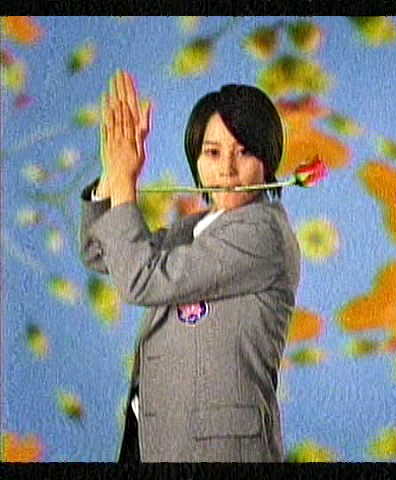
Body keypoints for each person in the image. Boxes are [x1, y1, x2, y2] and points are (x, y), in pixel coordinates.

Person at [79, 70, 301, 462]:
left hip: (216, 450)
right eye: (212, 153)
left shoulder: (262, 233)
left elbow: (140, 279)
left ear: (267, 160)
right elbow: (100, 251)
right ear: (195, 159)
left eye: (244, 152)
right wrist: (113, 175)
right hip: (154, 437)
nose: (227, 170)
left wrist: (127, 181)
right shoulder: (194, 228)